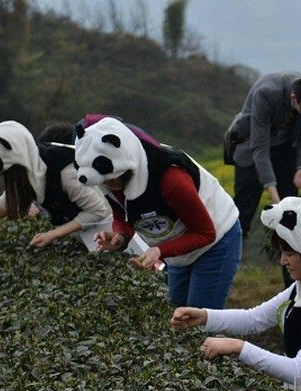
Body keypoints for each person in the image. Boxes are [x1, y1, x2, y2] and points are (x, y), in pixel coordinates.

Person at [169, 196, 301, 390]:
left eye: (290, 253)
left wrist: (237, 347)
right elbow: (255, 318)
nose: (283, 261)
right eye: (282, 252)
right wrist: (204, 316)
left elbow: (299, 371)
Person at [73, 116, 241, 308]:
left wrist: (159, 250)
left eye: (111, 180)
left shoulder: (172, 179)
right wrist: (120, 236)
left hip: (215, 242)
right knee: (177, 309)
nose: (108, 185)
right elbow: (122, 215)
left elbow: (206, 233)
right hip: (177, 249)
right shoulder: (107, 179)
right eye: (103, 182)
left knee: (198, 317)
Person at [0, 120, 111, 248]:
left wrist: (54, 234)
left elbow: (98, 210)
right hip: (84, 239)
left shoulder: (63, 170)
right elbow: (2, 205)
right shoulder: (30, 173)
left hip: (108, 233)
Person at [226, 72, 301, 237]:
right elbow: (260, 147)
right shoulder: (266, 93)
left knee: (290, 217)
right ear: (294, 98)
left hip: (285, 149)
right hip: (251, 148)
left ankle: (287, 261)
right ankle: (231, 260)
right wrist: (273, 194)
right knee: (242, 216)